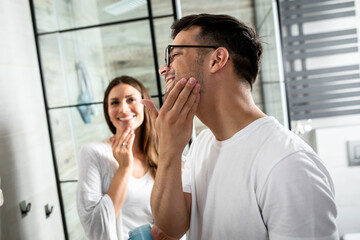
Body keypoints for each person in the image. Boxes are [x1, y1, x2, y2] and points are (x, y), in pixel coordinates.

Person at [141, 14, 339, 240]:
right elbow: (172, 226)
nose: (164, 69)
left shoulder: (289, 163)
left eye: (174, 55)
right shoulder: (203, 144)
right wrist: (169, 151)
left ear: (217, 60)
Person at [77, 75, 158, 240]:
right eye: (114, 102)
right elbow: (95, 228)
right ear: (108, 111)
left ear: (145, 104)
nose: (123, 109)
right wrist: (124, 168)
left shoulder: (161, 154)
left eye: (131, 100)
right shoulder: (93, 153)